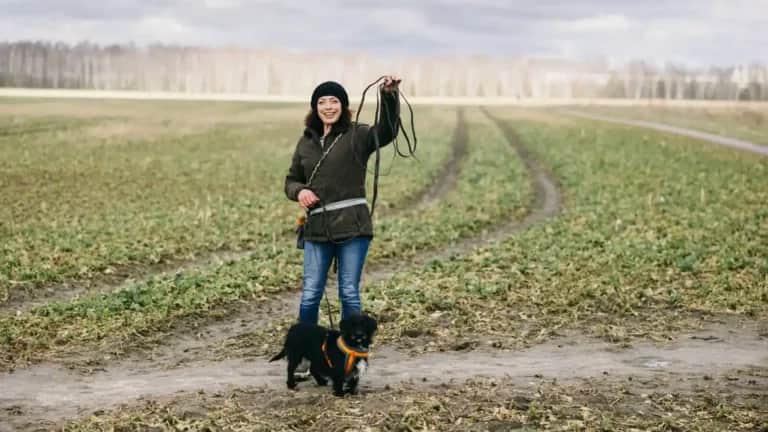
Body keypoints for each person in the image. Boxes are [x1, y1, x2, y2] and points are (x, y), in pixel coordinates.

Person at [284, 76, 401, 325]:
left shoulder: (358, 135)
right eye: (322, 102)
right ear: (315, 108)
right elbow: (292, 180)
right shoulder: (306, 142)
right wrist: (300, 191)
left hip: (353, 227)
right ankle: (307, 344)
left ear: (343, 105)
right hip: (317, 229)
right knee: (310, 294)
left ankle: (351, 346)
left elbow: (387, 131)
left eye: (334, 101)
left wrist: (389, 97)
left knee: (348, 292)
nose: (328, 107)